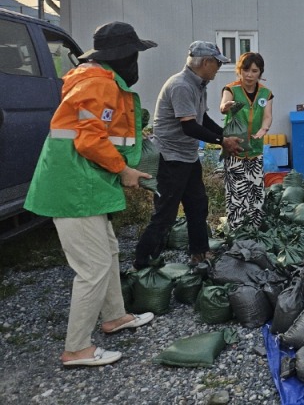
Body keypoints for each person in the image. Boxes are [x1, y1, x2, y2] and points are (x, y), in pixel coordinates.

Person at [24, 21, 157, 367]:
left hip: (88, 185)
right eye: (134, 54)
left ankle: (115, 316)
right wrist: (123, 169)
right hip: (74, 189)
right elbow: (88, 139)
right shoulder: (98, 85)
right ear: (122, 56)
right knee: (93, 267)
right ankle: (77, 348)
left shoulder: (99, 81)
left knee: (109, 251)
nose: (136, 62)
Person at [134, 41, 242, 269]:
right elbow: (190, 127)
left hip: (188, 157)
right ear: (205, 62)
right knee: (165, 215)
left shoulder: (198, 85)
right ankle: (142, 263)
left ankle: (199, 252)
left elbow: (203, 120)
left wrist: (224, 135)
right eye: (216, 64)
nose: (217, 68)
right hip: (170, 159)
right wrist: (222, 141)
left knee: (197, 205)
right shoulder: (181, 86)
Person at [219, 52, 274, 231]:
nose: (249, 75)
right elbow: (223, 106)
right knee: (236, 193)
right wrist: (225, 107)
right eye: (245, 70)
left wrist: (264, 129)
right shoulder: (231, 89)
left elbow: (267, 116)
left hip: (255, 150)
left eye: (254, 71)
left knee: (256, 192)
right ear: (239, 71)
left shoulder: (266, 93)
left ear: (260, 72)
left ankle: (254, 230)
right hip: (235, 148)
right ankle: (236, 232)